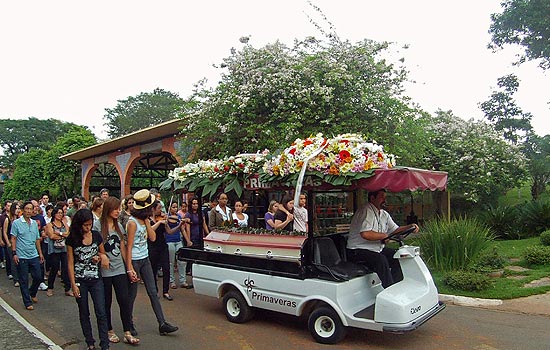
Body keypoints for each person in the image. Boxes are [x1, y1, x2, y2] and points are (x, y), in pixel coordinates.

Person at [125, 189, 178, 336]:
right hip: (135, 260)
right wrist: (129, 268)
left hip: (145, 258)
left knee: (153, 292)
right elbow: (128, 247)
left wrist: (149, 222)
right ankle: (128, 324)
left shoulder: (145, 220)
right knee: (132, 295)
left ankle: (162, 323)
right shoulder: (132, 223)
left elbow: (153, 237)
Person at [346, 189, 419, 288]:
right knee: (381, 260)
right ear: (372, 198)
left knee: (397, 257)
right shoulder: (366, 210)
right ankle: (389, 290)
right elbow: (365, 233)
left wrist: (410, 226)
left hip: (375, 249)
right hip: (356, 250)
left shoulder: (383, 214)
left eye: (385, 197)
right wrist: (383, 236)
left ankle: (397, 287)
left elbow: (395, 229)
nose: (384, 200)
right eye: (381, 197)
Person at [95, 197, 139, 345]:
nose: (118, 212)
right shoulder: (97, 226)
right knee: (106, 302)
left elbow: (122, 248)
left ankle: (127, 331)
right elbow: (93, 245)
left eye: (119, 209)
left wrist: (129, 267)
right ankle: (109, 330)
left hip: (119, 268)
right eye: (116, 209)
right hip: (105, 270)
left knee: (124, 300)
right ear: (108, 209)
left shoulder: (119, 225)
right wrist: (101, 255)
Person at [66, 209, 110, 350]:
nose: (88, 228)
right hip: (80, 279)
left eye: (90, 224)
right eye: (85, 225)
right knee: (84, 311)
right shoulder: (72, 239)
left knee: (101, 311)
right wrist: (73, 284)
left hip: (96, 278)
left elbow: (102, 252)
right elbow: (70, 263)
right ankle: (90, 342)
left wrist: (99, 257)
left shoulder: (96, 236)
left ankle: (105, 344)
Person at [10, 201, 45, 310]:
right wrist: (14, 253)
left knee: (38, 277)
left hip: (33, 254)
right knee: (24, 279)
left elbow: (37, 239)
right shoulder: (16, 223)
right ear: (23, 210)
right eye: (27, 209)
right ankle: (27, 301)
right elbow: (13, 238)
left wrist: (40, 253)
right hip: (22, 255)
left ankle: (32, 292)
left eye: (31, 209)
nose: (29, 211)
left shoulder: (34, 223)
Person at [148, 201, 177, 300]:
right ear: (153, 209)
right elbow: (149, 231)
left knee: (166, 268)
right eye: (159, 208)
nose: (161, 210)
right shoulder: (147, 219)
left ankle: (166, 291)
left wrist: (180, 225)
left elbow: (169, 231)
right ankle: (155, 291)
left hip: (163, 246)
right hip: (153, 247)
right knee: (153, 269)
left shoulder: (163, 218)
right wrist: (159, 222)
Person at [44, 206, 72, 297]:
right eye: (58, 213)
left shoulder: (64, 223)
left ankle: (67, 288)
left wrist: (59, 233)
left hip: (64, 249)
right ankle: (50, 287)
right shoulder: (50, 225)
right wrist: (63, 235)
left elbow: (68, 233)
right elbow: (51, 236)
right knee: (55, 268)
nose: (60, 215)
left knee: (65, 268)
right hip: (54, 250)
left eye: (61, 213)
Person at [166, 202, 191, 289]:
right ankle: (171, 281)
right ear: (169, 208)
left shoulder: (179, 217)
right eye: (173, 207)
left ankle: (182, 280)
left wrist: (188, 240)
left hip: (178, 240)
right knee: (171, 262)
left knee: (182, 261)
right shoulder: (166, 217)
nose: (175, 209)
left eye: (176, 207)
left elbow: (183, 230)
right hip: (169, 241)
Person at [185, 197, 209, 279]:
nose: (195, 205)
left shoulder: (201, 213)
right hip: (193, 237)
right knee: (193, 257)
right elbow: (187, 228)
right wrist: (188, 240)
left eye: (196, 204)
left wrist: (208, 235)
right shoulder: (188, 214)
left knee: (200, 256)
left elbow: (204, 224)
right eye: (193, 204)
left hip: (201, 237)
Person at [3, 202, 20, 286]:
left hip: (19, 242)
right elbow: (5, 232)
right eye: (16, 209)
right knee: (13, 260)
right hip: (10, 241)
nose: (18, 210)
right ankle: (16, 279)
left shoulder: (20, 219)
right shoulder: (8, 219)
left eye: (18, 208)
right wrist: (8, 243)